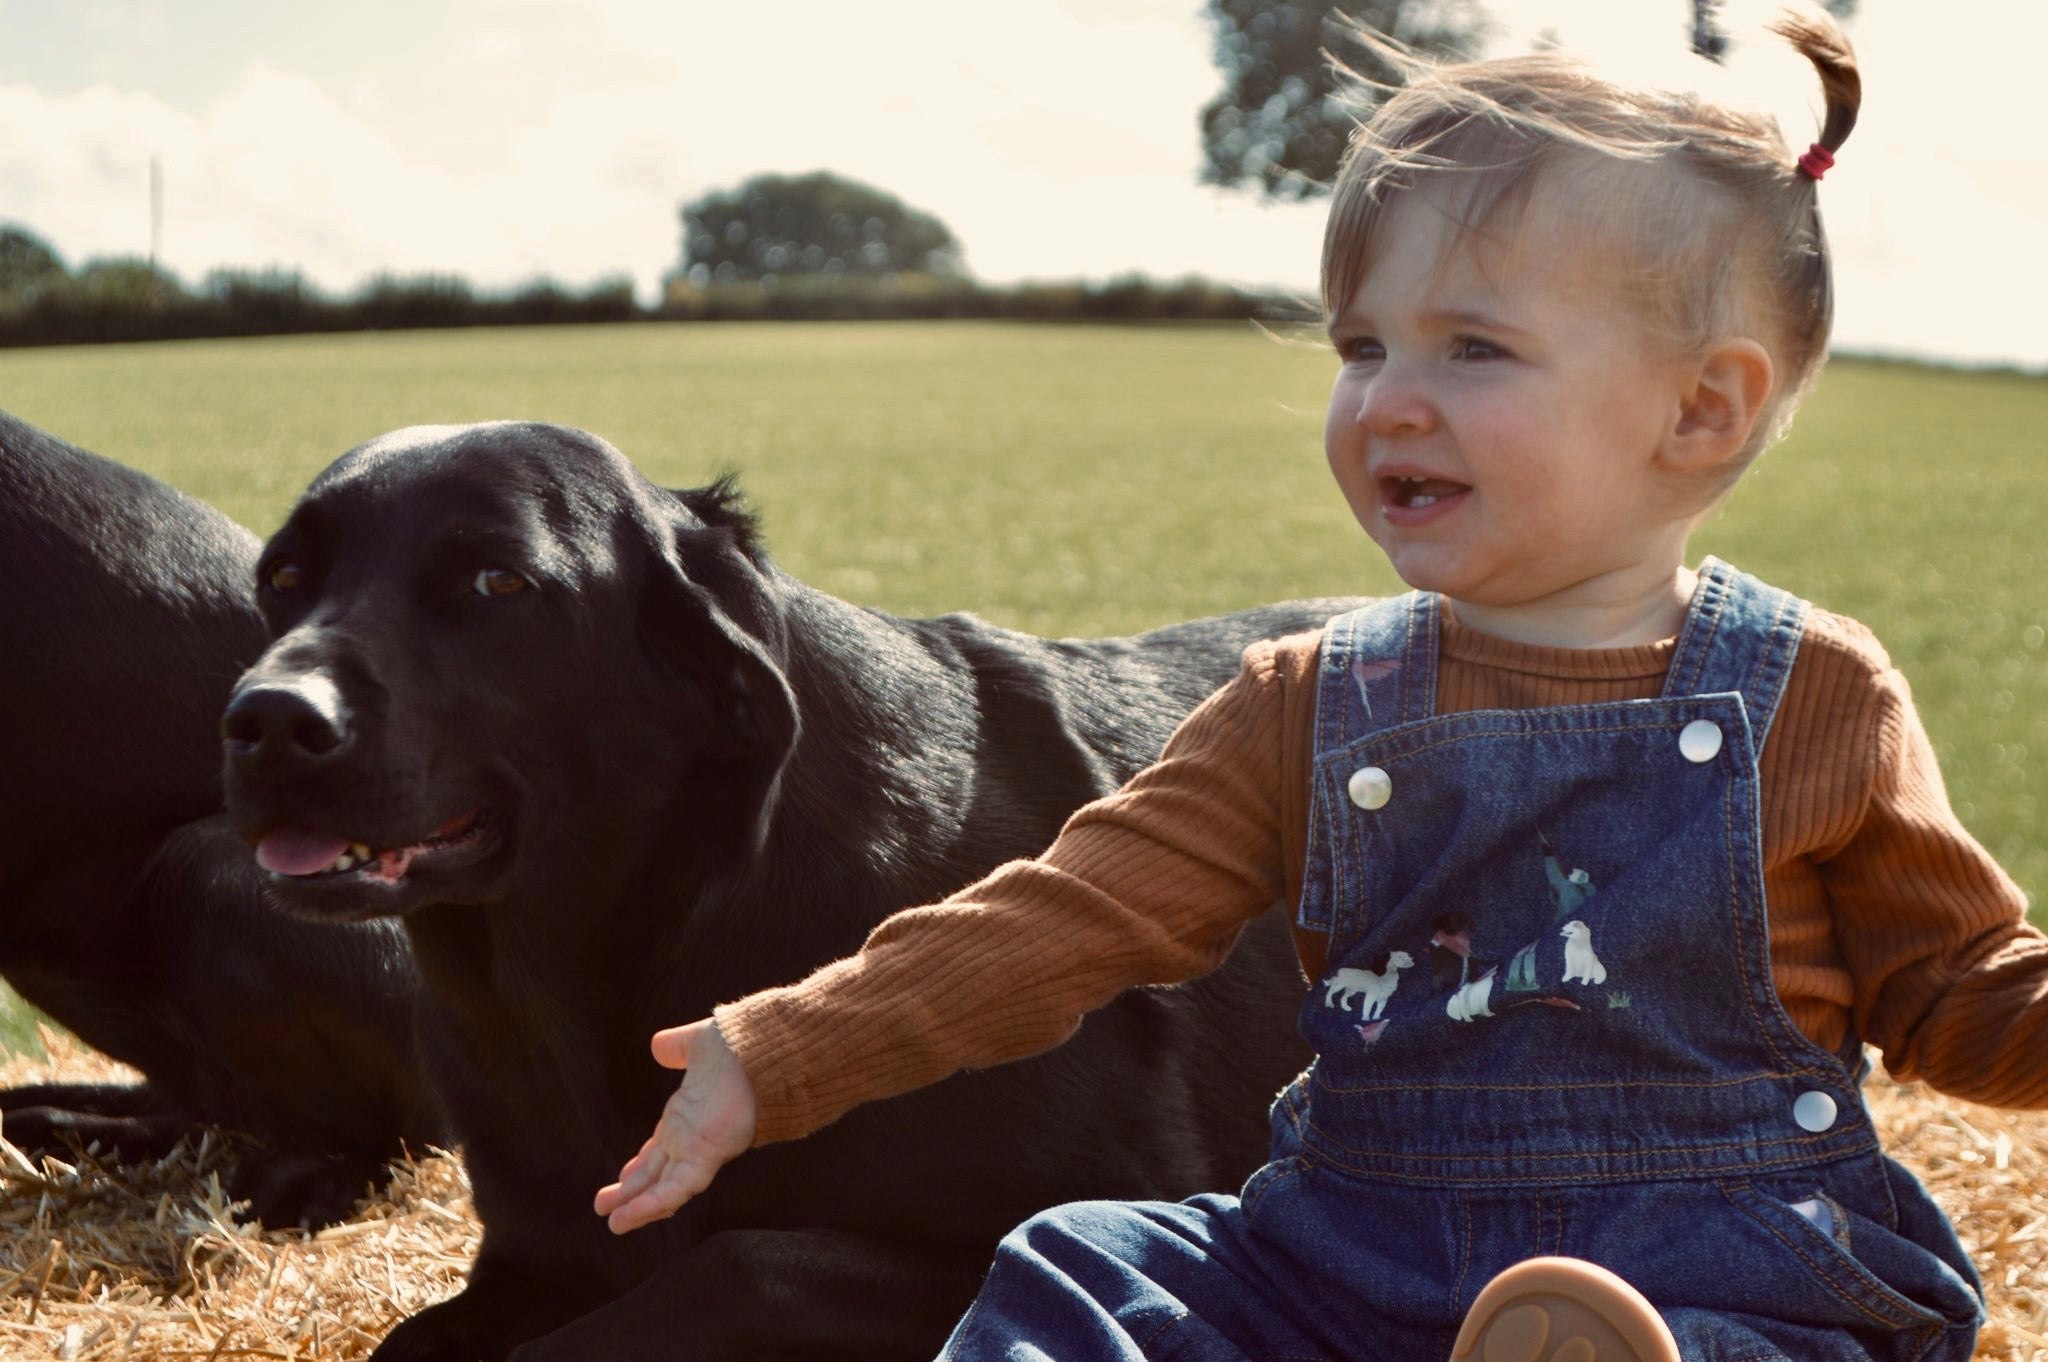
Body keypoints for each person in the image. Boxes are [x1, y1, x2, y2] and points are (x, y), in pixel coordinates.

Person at [594, 11, 2039, 1359]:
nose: (1387, 397)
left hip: (1714, 1271)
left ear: (1702, 406)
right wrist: (780, 1052)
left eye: (1472, 347)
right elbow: (1062, 918)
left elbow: (1952, 991)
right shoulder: (1311, 702)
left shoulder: (1812, 697)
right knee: (1077, 1263)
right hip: (1347, 1265)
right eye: (1363, 345)